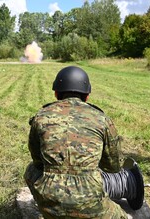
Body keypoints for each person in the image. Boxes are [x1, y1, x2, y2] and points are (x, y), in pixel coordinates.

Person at [24, 66, 128, 218]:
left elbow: (38, 161)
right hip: (93, 207)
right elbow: (114, 167)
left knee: (30, 170)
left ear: (56, 93)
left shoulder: (41, 117)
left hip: (51, 206)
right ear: (87, 96)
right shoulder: (101, 119)